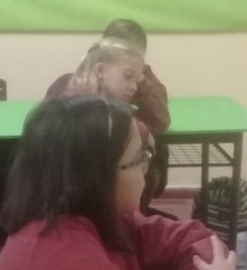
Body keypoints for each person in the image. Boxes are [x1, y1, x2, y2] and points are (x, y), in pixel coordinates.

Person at [0, 96, 239, 270]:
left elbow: (194, 239)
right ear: (93, 176)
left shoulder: (92, 215)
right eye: (139, 158)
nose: (146, 168)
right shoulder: (52, 250)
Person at [47, 22, 172, 207]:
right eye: (128, 75)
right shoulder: (76, 95)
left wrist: (140, 78)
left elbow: (161, 119)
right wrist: (142, 133)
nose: (133, 86)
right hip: (82, 187)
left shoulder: (134, 82)